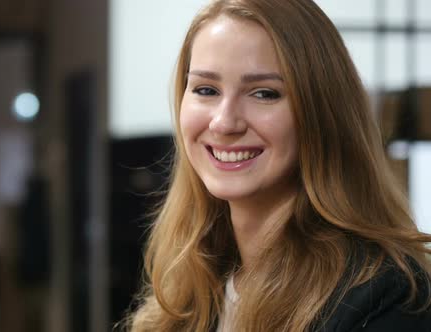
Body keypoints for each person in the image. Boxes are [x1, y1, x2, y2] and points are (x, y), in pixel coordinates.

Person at [123, 0, 431, 331]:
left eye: (264, 94)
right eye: (206, 89)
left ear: (321, 113)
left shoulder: (385, 297)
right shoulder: (190, 287)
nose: (225, 122)